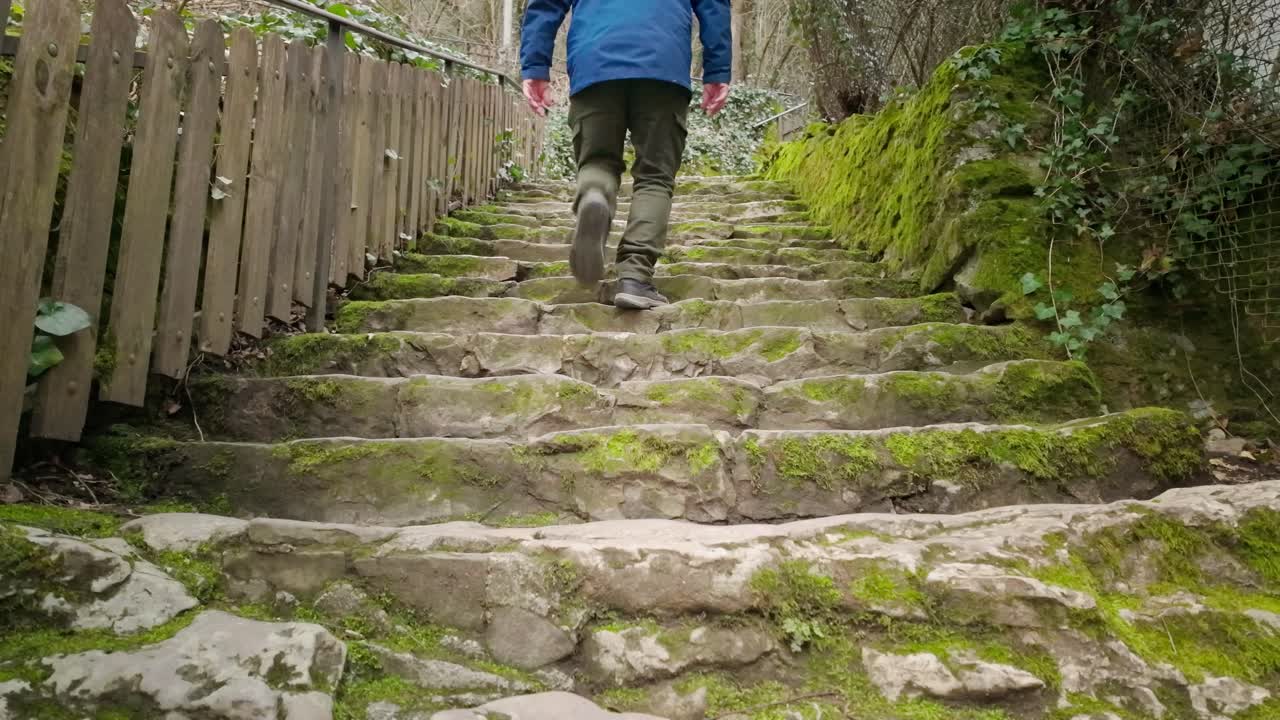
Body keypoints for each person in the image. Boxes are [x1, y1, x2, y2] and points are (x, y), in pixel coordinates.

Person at [519, 0, 732, 310]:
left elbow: (546, 4)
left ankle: (595, 193)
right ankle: (635, 277)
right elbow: (713, 5)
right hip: (663, 65)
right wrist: (717, 70)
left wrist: (536, 66)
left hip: (595, 62)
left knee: (597, 162)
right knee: (655, 176)